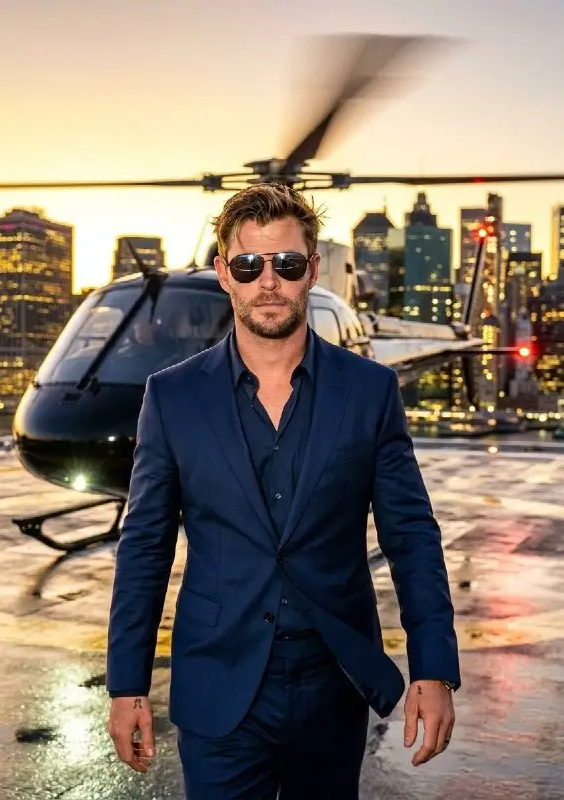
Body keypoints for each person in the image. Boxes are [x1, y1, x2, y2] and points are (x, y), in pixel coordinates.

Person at [106, 183, 460, 799]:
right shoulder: (171, 396)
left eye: (286, 264)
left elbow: (411, 535)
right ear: (224, 274)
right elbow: (144, 547)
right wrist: (126, 684)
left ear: (312, 272)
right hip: (218, 683)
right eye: (249, 265)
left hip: (334, 683)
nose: (267, 281)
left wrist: (433, 668)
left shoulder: (370, 391)